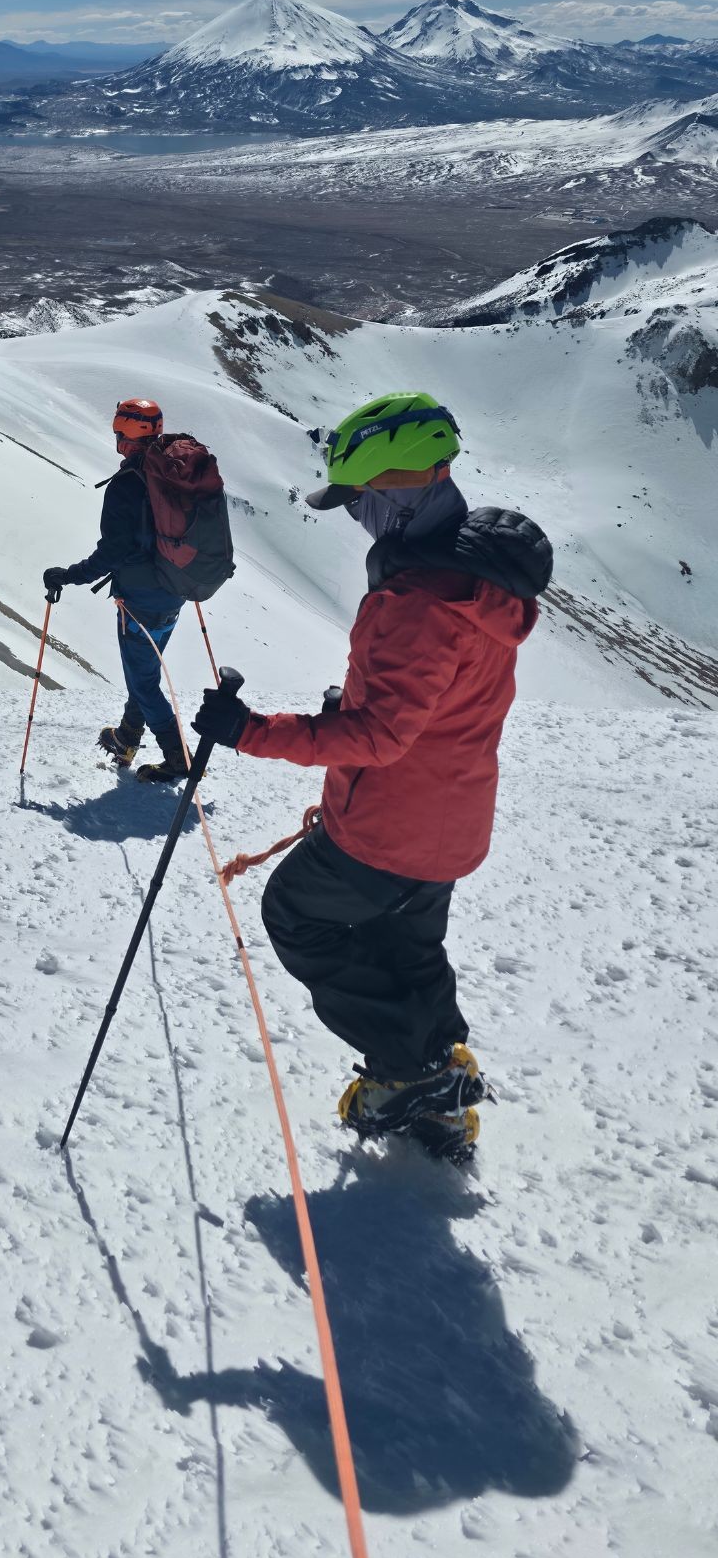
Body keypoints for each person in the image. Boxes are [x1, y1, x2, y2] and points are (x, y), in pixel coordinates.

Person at [192, 390, 552, 1163]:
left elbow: (381, 737)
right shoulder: (482, 589)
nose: (355, 517)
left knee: (297, 914)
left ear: (399, 492)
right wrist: (351, 703)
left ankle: (408, 1073)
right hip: (451, 825)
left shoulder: (413, 602)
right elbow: (431, 702)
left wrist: (248, 730)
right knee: (408, 949)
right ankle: (444, 1084)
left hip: (387, 826)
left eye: (360, 500)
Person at [43, 398, 189, 784]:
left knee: (143, 682)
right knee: (146, 670)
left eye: (119, 435)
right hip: (174, 592)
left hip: (140, 599)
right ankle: (127, 736)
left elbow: (113, 551)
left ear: (128, 436)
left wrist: (67, 575)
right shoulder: (173, 471)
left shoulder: (129, 484)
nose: (116, 442)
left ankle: (178, 757)